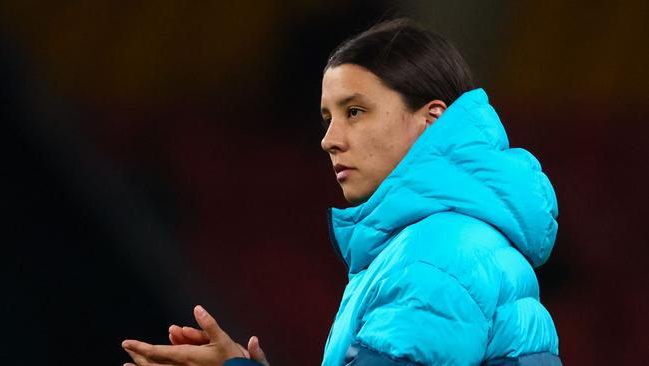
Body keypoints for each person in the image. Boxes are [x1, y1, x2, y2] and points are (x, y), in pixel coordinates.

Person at [122, 18, 562, 366]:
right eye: (327, 117)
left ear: (431, 120)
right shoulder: (454, 243)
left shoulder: (436, 255)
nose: (329, 138)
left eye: (354, 111)